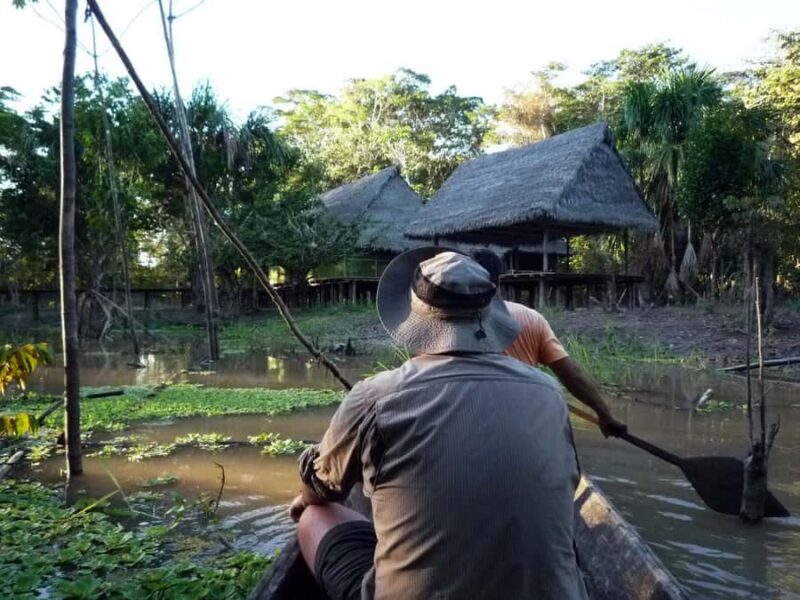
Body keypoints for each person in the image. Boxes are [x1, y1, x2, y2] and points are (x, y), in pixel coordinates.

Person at [290, 248, 588, 600]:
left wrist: (305, 499)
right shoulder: (547, 392)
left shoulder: (376, 395)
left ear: (415, 317)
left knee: (313, 515)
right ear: (488, 314)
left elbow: (320, 486)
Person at [470, 248, 627, 438]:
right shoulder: (531, 318)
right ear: (500, 280)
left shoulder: (447, 323)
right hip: (526, 423)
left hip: (474, 423)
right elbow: (572, 375)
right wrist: (604, 413)